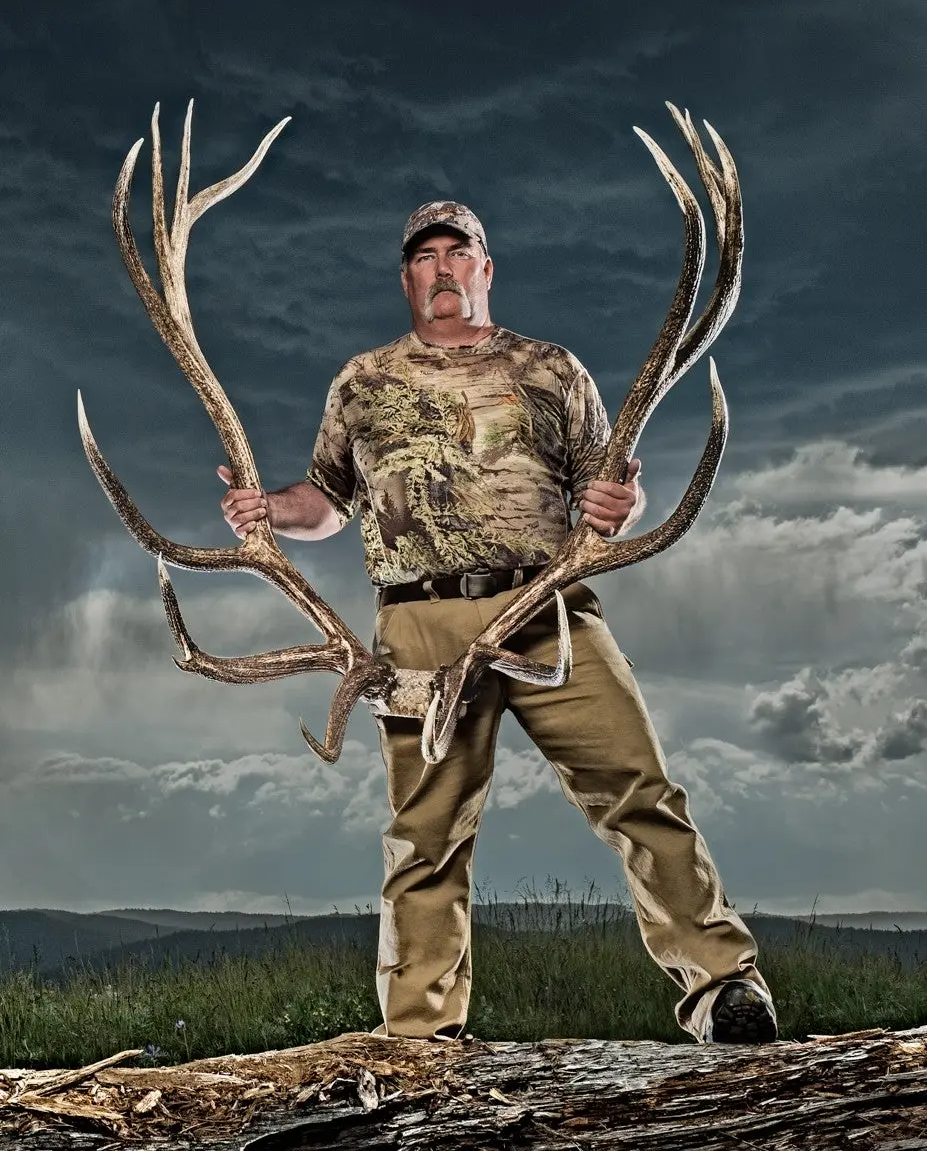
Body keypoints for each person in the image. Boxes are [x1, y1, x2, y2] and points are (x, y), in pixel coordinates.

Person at [217, 200, 778, 1046]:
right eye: (425, 257)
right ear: (407, 277)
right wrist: (269, 509)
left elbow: (607, 489)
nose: (442, 268)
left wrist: (619, 504)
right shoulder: (362, 383)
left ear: (485, 268)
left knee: (640, 793)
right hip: (418, 630)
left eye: (459, 252)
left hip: (547, 611)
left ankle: (722, 990)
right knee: (424, 834)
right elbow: (327, 501)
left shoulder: (550, 369)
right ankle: (419, 1035)